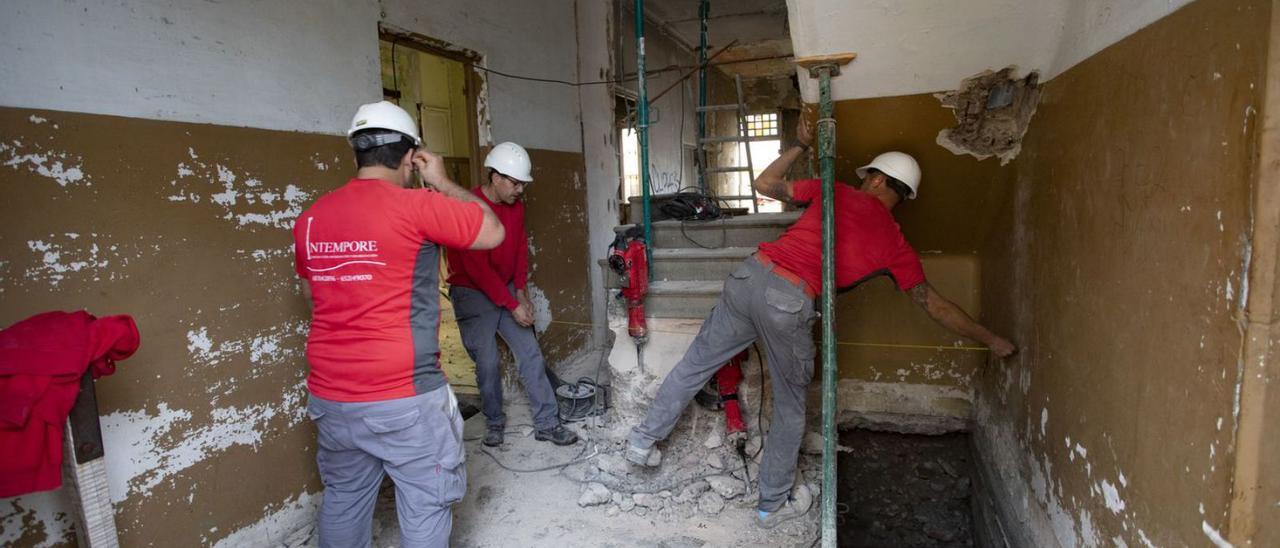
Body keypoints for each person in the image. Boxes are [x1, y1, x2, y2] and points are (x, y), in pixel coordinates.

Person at [625, 118, 1017, 529]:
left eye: (869, 177)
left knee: (693, 366)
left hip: (747, 277)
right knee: (792, 408)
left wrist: (797, 144)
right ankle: (771, 505)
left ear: (879, 180)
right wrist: (990, 339)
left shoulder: (836, 192)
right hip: (788, 300)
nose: (863, 181)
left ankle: (641, 443)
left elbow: (765, 183)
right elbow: (935, 305)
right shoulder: (896, 246)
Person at [293, 100, 505, 548]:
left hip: (331, 394)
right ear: (411, 157)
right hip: (403, 393)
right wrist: (443, 181)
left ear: (355, 154)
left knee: (345, 497)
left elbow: (314, 296)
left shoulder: (310, 218)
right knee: (425, 501)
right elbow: (491, 231)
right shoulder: (418, 206)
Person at [446, 142, 579, 447]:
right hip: (471, 289)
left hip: (504, 286)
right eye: (515, 183)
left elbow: (519, 247)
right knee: (488, 362)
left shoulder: (516, 206)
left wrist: (520, 292)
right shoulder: (470, 208)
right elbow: (476, 268)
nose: (520, 189)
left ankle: (547, 422)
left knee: (529, 351)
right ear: (495, 177)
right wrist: (510, 304)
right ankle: (494, 421)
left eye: (522, 183)